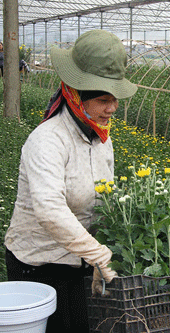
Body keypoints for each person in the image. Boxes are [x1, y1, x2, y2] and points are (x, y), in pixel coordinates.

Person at [4, 29, 137, 332]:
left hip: (79, 261)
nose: (112, 108)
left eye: (114, 99)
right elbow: (50, 210)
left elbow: (104, 196)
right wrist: (100, 254)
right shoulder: (48, 140)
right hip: (39, 266)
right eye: (104, 100)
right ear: (76, 95)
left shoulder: (101, 138)